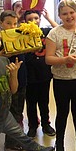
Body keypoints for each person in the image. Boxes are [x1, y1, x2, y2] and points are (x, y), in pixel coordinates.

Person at [45, 0, 76, 151]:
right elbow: (48, 59)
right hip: (61, 80)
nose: (69, 16)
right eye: (64, 13)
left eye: (72, 12)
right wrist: (64, 59)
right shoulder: (54, 33)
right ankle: (60, 147)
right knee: (62, 114)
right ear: (59, 16)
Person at [24, 9, 58, 138]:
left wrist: (49, 18)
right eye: (30, 19)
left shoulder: (45, 32)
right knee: (31, 102)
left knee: (44, 101)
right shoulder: (22, 33)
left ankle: (45, 124)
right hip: (29, 74)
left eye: (36, 18)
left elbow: (59, 29)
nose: (33, 21)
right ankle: (33, 125)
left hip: (44, 73)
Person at [0, 11, 28, 151]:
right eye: (8, 23)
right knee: (14, 113)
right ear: (1, 24)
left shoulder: (18, 37)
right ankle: (12, 144)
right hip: (8, 82)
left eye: (15, 23)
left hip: (21, 79)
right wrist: (4, 54)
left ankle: (17, 140)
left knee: (18, 111)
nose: (12, 26)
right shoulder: (0, 40)